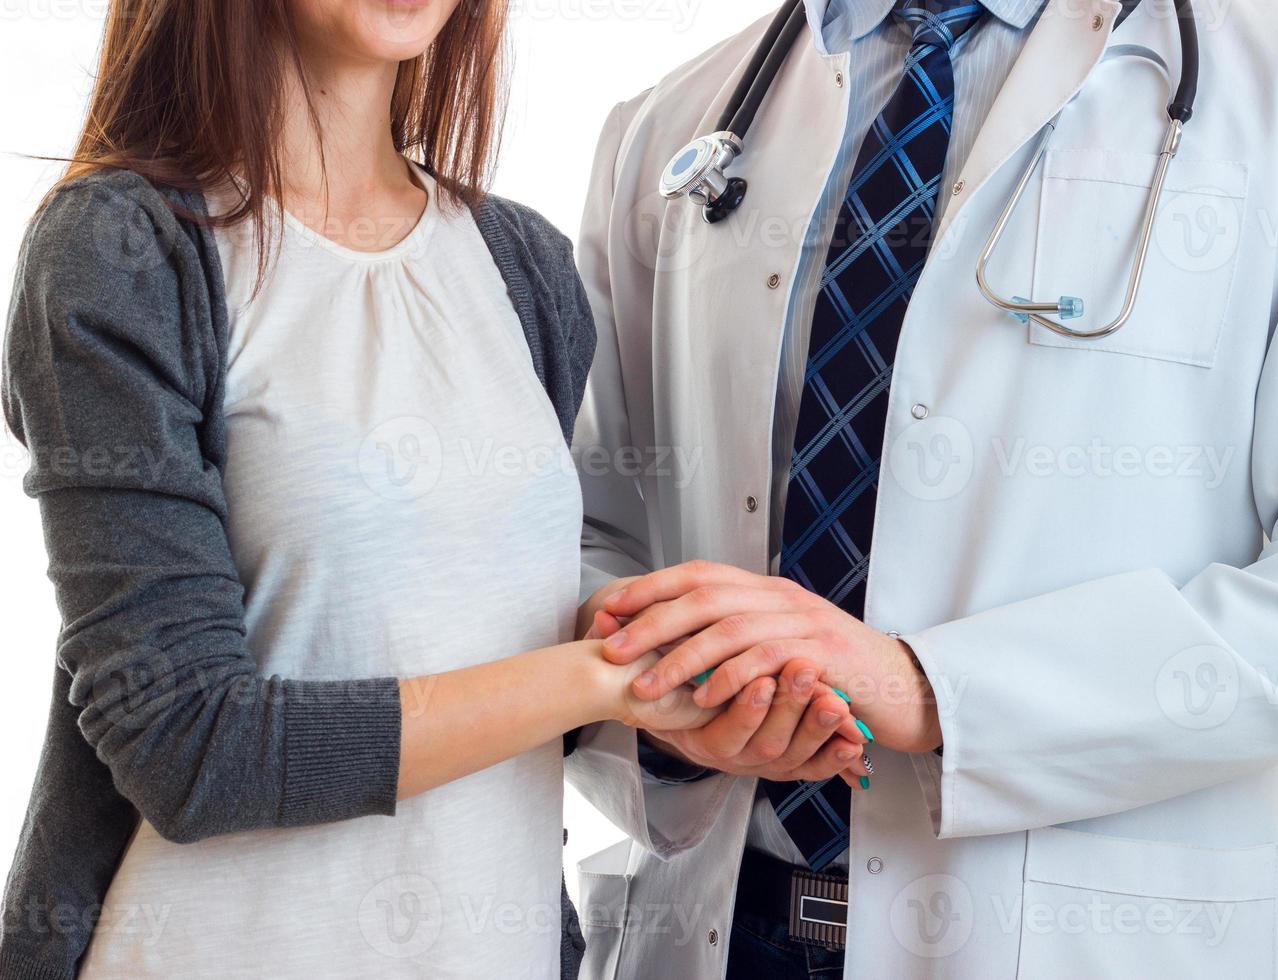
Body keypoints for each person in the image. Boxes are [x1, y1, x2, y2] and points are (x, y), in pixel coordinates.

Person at [567, 0, 1278, 977]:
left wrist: (937, 690)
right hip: (715, 927)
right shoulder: (672, 127)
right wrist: (668, 723)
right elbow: (580, 542)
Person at [0, 1, 870, 977]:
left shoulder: (519, 264)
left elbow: (473, 639)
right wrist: (609, 676)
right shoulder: (119, 251)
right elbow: (189, 745)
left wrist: (666, 711)